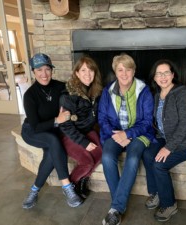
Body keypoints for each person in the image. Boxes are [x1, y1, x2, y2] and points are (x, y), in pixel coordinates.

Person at [98, 53, 155, 225]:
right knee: (107, 157)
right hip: (114, 134)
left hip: (138, 134)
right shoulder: (108, 91)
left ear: (134, 71)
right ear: (115, 72)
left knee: (132, 158)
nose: (124, 74)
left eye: (128, 69)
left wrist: (128, 134)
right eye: (120, 70)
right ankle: (118, 204)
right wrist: (116, 134)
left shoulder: (143, 90)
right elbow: (102, 118)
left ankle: (115, 208)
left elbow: (147, 122)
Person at [21, 53, 83, 209]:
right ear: (33, 72)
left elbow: (76, 95)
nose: (44, 74)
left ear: (52, 70)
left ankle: (34, 191)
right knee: (53, 140)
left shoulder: (60, 87)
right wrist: (57, 120)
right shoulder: (30, 95)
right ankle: (67, 186)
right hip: (32, 131)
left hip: (51, 130)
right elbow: (36, 126)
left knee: (51, 152)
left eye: (47, 69)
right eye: (39, 70)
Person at [142, 59, 186, 222]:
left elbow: (185, 123)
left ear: (173, 75)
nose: (163, 76)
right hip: (165, 138)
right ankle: (157, 193)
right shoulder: (156, 96)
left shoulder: (181, 92)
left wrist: (168, 148)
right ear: (154, 77)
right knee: (147, 154)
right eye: (159, 73)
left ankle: (169, 204)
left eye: (166, 72)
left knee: (159, 164)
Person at [59, 56, 103, 199]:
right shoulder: (69, 95)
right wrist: (84, 142)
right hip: (70, 134)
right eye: (83, 70)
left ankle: (84, 179)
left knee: (101, 152)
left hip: (88, 130)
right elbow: (65, 125)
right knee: (87, 162)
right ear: (77, 73)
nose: (87, 74)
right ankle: (71, 185)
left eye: (91, 70)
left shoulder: (95, 91)